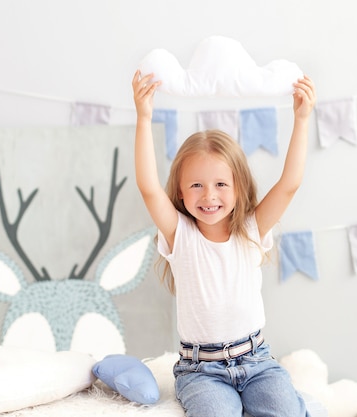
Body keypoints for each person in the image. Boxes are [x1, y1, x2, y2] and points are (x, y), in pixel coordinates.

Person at [132, 69, 316, 417]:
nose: (209, 196)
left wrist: (302, 119)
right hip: (202, 371)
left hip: (257, 361)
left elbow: (289, 183)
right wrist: (144, 117)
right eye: (197, 185)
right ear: (182, 192)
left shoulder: (251, 229)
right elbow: (148, 188)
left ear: (239, 187)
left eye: (220, 184)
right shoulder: (180, 234)